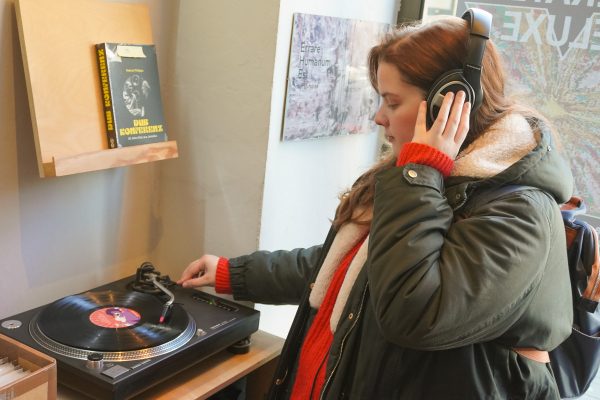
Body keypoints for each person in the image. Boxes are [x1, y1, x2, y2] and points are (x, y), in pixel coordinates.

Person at [178, 11, 574, 400]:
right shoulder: (418, 182)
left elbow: (417, 313)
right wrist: (235, 273)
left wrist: (420, 171)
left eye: (392, 101)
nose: (378, 117)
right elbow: (353, 266)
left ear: (445, 105)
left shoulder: (520, 212)